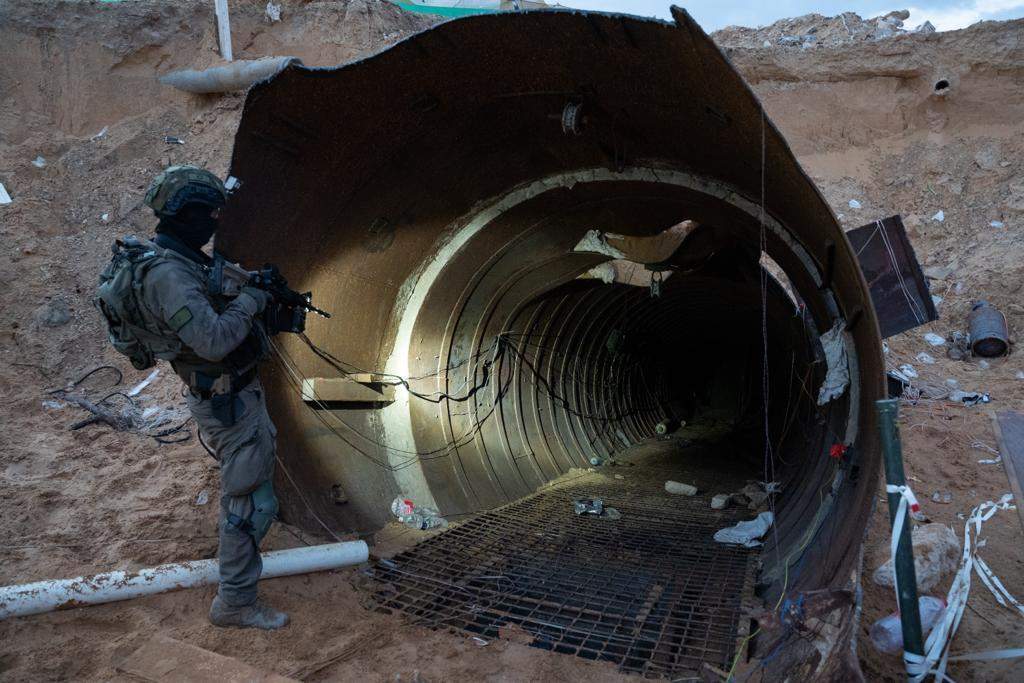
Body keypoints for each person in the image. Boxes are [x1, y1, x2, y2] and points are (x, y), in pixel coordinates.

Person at [97, 166, 288, 630]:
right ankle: (236, 603)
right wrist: (252, 303)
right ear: (186, 215)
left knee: (251, 494)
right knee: (249, 505)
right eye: (210, 213)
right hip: (228, 402)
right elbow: (213, 341)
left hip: (230, 396)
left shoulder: (170, 257)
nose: (216, 221)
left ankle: (237, 582)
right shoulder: (167, 275)